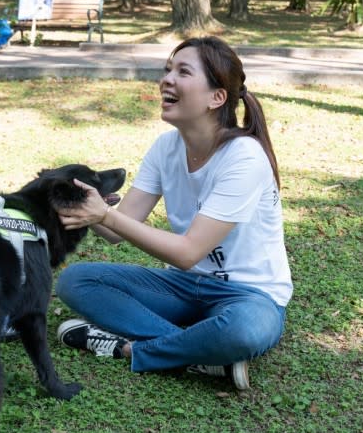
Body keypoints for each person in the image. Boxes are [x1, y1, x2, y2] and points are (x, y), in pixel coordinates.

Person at [54, 36, 292, 390]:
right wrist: (80, 205)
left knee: (242, 331)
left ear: (217, 97)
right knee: (77, 281)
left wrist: (105, 216)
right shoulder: (166, 147)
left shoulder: (244, 156)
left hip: (250, 295)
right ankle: (203, 355)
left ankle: (131, 350)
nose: (167, 79)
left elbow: (187, 252)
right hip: (182, 288)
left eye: (183, 71)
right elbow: (119, 229)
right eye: (168, 70)